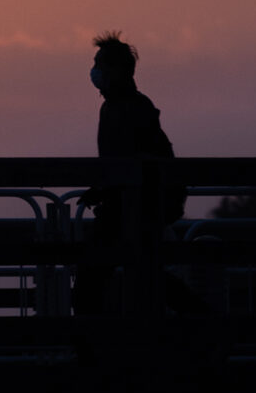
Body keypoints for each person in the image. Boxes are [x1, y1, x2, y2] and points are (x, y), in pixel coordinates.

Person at [73, 32, 191, 317]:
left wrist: (106, 188)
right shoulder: (123, 106)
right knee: (146, 275)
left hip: (132, 208)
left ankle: (90, 353)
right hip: (128, 206)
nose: (95, 72)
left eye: (99, 64)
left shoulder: (130, 108)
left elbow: (133, 159)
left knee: (91, 283)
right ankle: (208, 324)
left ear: (117, 70)